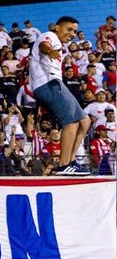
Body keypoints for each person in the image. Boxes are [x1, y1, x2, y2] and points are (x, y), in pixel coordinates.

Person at [29, 17, 91, 175]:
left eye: (75, 31)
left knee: (85, 121)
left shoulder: (59, 44)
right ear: (57, 27)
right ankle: (64, 166)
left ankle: (71, 161)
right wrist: (50, 51)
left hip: (55, 84)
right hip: (48, 84)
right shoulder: (49, 35)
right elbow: (44, 46)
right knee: (70, 122)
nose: (72, 34)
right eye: (69, 29)